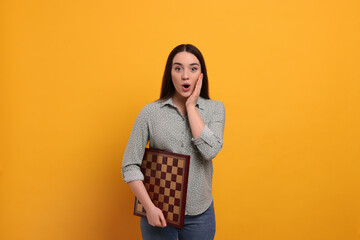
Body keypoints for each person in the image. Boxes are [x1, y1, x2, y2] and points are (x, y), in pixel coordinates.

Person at [121, 44, 225, 240]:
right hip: (158, 212)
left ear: (201, 75)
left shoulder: (215, 109)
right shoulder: (150, 113)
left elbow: (210, 151)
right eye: (178, 68)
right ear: (170, 74)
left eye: (193, 69)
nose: (185, 75)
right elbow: (129, 166)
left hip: (200, 215)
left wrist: (192, 106)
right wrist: (149, 207)